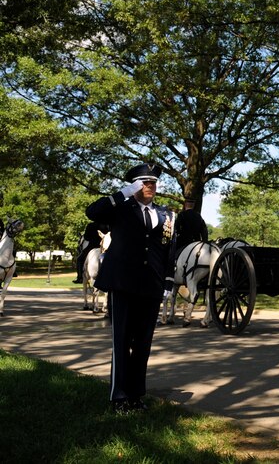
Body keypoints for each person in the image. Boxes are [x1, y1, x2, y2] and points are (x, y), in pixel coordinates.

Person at [86, 162, 176, 413]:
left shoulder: (167, 215)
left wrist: (168, 281)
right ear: (134, 185)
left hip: (151, 286)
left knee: (143, 343)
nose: (149, 186)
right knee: (122, 340)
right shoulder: (121, 209)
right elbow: (92, 212)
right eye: (144, 182)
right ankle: (119, 398)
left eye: (153, 182)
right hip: (123, 283)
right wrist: (122, 193)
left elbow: (169, 251)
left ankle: (136, 396)